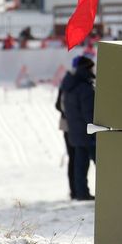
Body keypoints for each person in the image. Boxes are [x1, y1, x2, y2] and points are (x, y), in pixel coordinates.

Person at [61, 55, 96, 201]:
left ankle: (81, 192)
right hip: (88, 132)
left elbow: (61, 106)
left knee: (79, 165)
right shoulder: (84, 88)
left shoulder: (69, 86)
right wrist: (95, 129)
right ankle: (109, 191)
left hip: (74, 131)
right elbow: (89, 113)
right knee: (102, 164)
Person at [55, 64, 77, 199]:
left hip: (66, 126)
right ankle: (76, 190)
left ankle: (73, 190)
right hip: (72, 126)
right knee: (76, 158)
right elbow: (59, 105)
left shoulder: (65, 83)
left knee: (73, 158)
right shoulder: (74, 83)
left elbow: (57, 105)